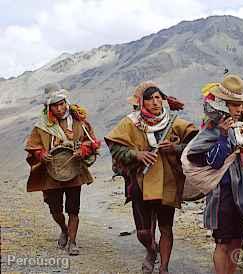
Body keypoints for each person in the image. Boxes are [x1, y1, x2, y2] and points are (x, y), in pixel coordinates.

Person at [105, 82, 198, 274]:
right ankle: (150, 249)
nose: (156, 102)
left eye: (158, 97)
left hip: (167, 181)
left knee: (166, 227)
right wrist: (136, 155)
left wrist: (175, 148)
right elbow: (115, 147)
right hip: (140, 181)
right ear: (141, 102)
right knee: (143, 232)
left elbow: (195, 145)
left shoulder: (175, 123)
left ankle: (163, 268)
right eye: (150, 98)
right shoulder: (130, 123)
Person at [183, 74, 243, 274]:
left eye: (240, 104)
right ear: (223, 104)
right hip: (222, 193)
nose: (239, 109)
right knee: (223, 243)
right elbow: (214, 163)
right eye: (234, 104)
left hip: (239, 190)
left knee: (236, 240)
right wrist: (223, 138)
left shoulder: (240, 127)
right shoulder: (212, 130)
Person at [25, 84, 100, 255]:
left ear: (66, 102)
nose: (59, 109)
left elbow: (91, 141)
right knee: (55, 209)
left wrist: (83, 150)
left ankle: (72, 241)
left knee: (73, 209)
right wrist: (41, 154)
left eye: (62, 104)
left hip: (74, 171)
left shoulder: (79, 121)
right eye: (55, 105)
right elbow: (32, 146)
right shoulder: (42, 125)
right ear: (48, 107)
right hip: (51, 173)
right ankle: (64, 229)